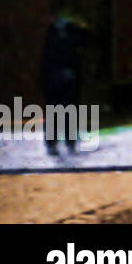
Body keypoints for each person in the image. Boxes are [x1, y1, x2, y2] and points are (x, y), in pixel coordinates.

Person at [41, 10, 87, 155]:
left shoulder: (52, 33)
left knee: (53, 111)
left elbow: (46, 58)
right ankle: (69, 142)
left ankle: (53, 143)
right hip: (67, 75)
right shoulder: (70, 32)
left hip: (54, 76)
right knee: (69, 110)